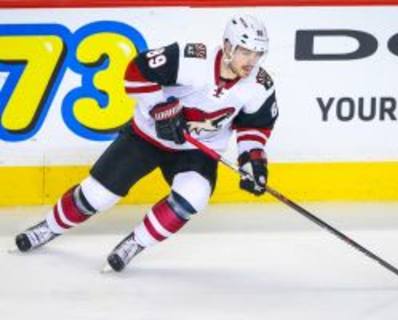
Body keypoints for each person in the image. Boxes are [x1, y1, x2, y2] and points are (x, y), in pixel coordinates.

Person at [14, 13, 278, 272]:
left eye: (258, 54)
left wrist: (253, 161)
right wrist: (160, 108)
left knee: (193, 196)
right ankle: (49, 227)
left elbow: (254, 126)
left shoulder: (260, 85)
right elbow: (135, 72)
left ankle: (135, 243)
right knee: (97, 196)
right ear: (228, 46)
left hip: (195, 150)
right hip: (146, 138)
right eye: (246, 51)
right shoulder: (190, 59)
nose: (251, 61)